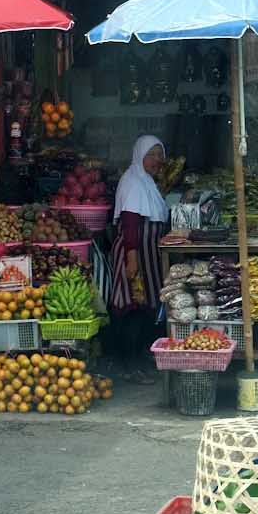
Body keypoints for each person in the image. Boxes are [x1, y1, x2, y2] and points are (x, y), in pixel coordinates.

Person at [107, 136, 170, 381]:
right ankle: (129, 365)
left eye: (160, 154)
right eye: (152, 154)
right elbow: (130, 223)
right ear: (139, 154)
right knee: (132, 307)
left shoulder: (146, 183)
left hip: (147, 255)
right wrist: (132, 259)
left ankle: (139, 357)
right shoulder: (133, 182)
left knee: (145, 308)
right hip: (134, 254)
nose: (158, 160)